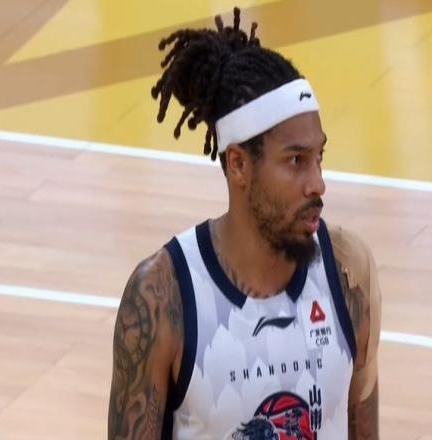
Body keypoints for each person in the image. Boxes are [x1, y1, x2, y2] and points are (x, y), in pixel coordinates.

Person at [108, 7, 381, 440]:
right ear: (238, 164)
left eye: (319, 157)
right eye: (296, 161)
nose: (318, 183)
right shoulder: (162, 295)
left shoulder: (348, 270)